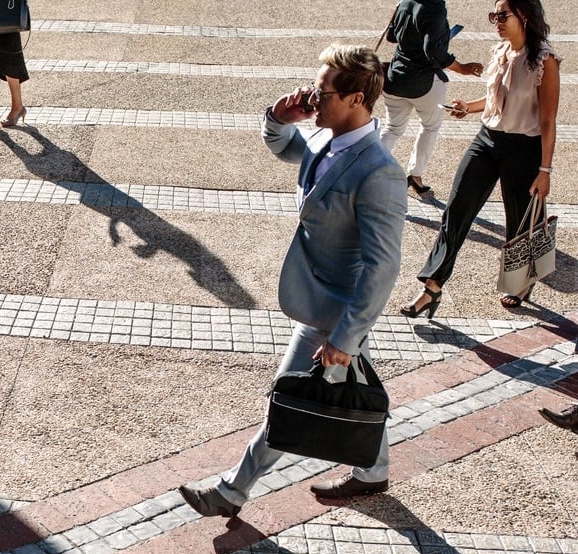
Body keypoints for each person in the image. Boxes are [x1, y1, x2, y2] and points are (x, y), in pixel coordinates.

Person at [178, 44, 406, 518]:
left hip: (336, 312)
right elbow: (288, 148)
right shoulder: (328, 140)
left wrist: (346, 335)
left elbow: (383, 266)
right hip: (320, 300)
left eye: (322, 93)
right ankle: (373, 471)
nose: (313, 99)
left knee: (289, 400)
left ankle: (230, 492)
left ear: (357, 98)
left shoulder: (378, 172)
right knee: (351, 384)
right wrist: (279, 118)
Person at [400, 0, 560, 317]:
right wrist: (467, 108)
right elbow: (494, 99)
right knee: (456, 211)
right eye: (494, 16)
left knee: (519, 220)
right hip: (486, 140)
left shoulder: (544, 61)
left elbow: (548, 121)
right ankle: (432, 286)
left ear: (524, 17)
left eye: (503, 15)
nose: (497, 21)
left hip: (524, 147)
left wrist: (545, 170)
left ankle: (522, 280)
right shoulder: (500, 52)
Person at [379, 0, 484, 194]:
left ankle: (368, 172)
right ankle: (415, 175)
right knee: (430, 126)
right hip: (424, 82)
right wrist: (462, 68)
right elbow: (433, 51)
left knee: (392, 129)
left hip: (395, 78)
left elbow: (392, 37)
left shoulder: (405, 2)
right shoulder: (434, 7)